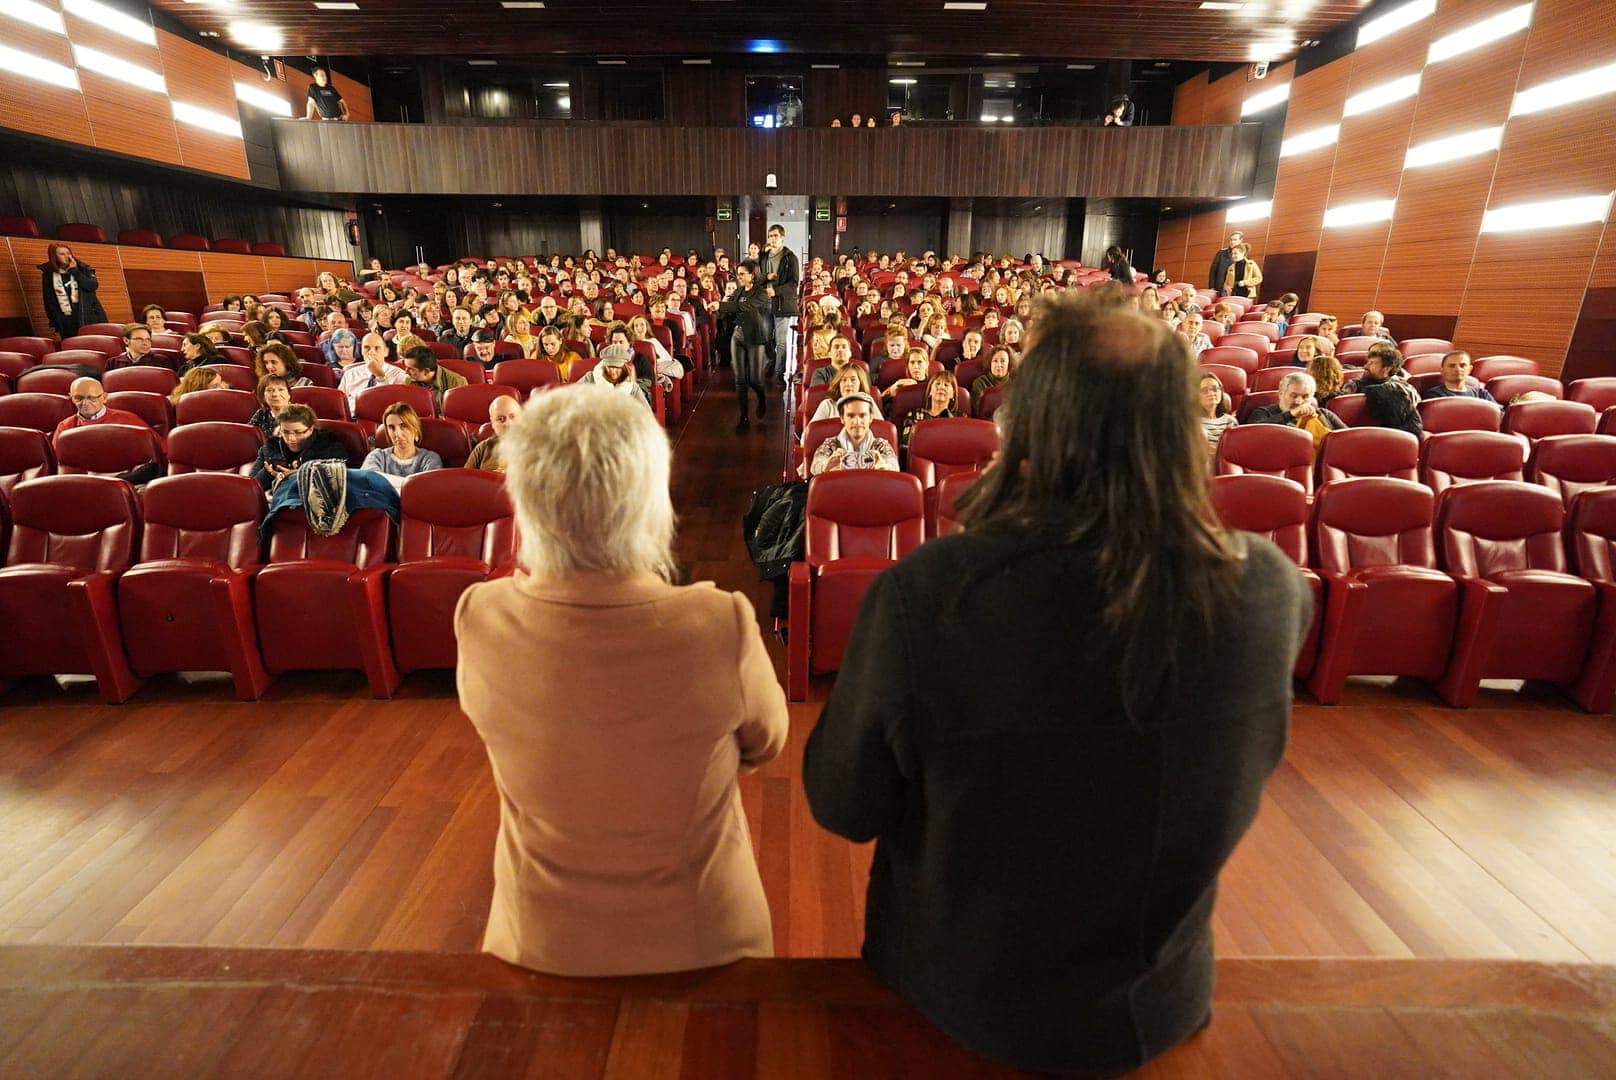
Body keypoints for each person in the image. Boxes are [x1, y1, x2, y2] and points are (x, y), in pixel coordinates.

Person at [802, 288, 1310, 1076]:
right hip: (1162, 1005)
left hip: (959, 1006)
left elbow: (844, 802)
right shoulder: (1273, 589)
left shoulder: (932, 592)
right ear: (1183, 429)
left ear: (1028, 425)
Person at [455, 384, 787, 976]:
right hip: (704, 939)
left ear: (525, 500)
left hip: (542, 942)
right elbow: (766, 742)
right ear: (650, 499)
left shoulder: (481, 615)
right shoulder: (720, 624)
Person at [717, 259, 771, 433]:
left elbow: (745, 306)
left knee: (755, 379)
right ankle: (744, 418)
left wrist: (724, 305)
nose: (738, 277)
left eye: (742, 274)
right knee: (740, 380)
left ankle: (761, 397)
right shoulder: (739, 291)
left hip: (755, 337)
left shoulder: (761, 293)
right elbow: (728, 309)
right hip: (738, 336)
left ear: (752, 274)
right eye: (738, 273)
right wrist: (719, 306)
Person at [250, 404, 349, 491]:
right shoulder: (272, 447)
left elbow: (338, 480)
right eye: (285, 432)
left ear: (310, 429)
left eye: (298, 432)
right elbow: (252, 486)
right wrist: (271, 471)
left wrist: (299, 474)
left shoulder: (329, 446)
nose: (291, 438)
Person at [1248, 370, 1345, 448]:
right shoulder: (1264, 413)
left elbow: (1349, 439)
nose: (1299, 402)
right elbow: (1251, 436)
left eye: (1305, 397)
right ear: (1281, 393)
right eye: (1294, 396)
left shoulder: (1324, 414)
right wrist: (1290, 414)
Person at [809, 392, 898, 474]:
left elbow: (894, 467)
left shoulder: (881, 445)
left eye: (862, 415)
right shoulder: (831, 444)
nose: (857, 421)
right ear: (842, 418)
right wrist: (824, 467)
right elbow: (815, 466)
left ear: (871, 418)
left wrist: (885, 468)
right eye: (851, 416)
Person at [1346, 343, 1422, 436]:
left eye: (1372, 363)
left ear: (1386, 369)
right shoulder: (1354, 385)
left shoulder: (1404, 389)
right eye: (1368, 362)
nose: (1366, 366)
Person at [361, 402, 443, 486]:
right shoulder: (376, 456)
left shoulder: (430, 459)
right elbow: (370, 485)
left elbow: (428, 489)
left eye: (404, 426)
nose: (398, 434)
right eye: (391, 427)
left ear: (415, 429)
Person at [52, 377, 149, 446]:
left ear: (104, 397)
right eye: (79, 398)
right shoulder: (65, 427)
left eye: (92, 398)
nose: (85, 403)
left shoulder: (128, 420)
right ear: (71, 398)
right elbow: (59, 461)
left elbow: (154, 450)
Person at [38, 243, 107, 340]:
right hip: (66, 321)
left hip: (88, 316)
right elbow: (48, 299)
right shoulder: (49, 274)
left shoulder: (83, 268)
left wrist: (75, 271)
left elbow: (92, 286)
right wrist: (55, 322)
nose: (67, 256)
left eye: (68, 253)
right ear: (54, 257)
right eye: (62, 254)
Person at [762, 223, 800, 380]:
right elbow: (757, 278)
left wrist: (775, 291)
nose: (772, 239)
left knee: (781, 342)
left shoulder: (790, 257)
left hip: (782, 303)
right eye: (770, 236)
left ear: (782, 237)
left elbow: (794, 283)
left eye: (775, 236)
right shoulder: (763, 257)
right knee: (764, 338)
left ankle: (779, 373)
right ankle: (771, 361)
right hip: (764, 303)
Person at [340, 332, 407, 409]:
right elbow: (341, 403)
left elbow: (394, 406)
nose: (371, 352)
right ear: (361, 351)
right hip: (353, 417)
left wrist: (380, 376)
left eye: (377, 348)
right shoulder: (350, 374)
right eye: (366, 348)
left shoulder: (398, 374)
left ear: (386, 352)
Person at [577, 342, 652, 410]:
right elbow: (572, 399)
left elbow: (646, 414)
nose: (612, 371)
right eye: (609, 367)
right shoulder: (590, 378)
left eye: (616, 367)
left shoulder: (633, 388)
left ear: (623, 367)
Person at [901, 371, 963, 449]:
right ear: (930, 391)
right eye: (937, 384)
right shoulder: (914, 414)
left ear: (952, 394)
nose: (941, 387)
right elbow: (906, 445)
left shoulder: (960, 418)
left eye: (946, 385)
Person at [466, 393, 523, 472]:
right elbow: (465, 480)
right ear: (493, 424)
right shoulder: (483, 448)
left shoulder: (537, 447)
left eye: (512, 417)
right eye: (500, 419)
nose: (508, 424)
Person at [402, 345, 467, 414]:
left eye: (411, 369)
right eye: (406, 367)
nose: (406, 372)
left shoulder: (457, 382)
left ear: (426, 371)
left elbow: (459, 413)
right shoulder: (409, 380)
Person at [809, 365, 879, 426]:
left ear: (860, 384)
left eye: (853, 380)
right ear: (839, 384)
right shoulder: (827, 405)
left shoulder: (869, 402)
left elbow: (882, 432)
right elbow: (807, 437)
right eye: (844, 380)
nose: (848, 384)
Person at [1423, 349, 1497, 402]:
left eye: (1462, 365)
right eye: (1452, 366)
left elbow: (1498, 415)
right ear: (1442, 371)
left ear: (1470, 369)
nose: (1457, 369)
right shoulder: (1434, 395)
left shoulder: (1481, 394)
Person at [1198, 371, 1237, 455]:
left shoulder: (1230, 421)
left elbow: (1236, 450)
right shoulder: (1193, 422)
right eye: (1205, 390)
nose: (1211, 393)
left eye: (1215, 389)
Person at [248, 373, 294, 437]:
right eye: (269, 390)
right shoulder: (261, 414)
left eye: (281, 389)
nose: (275, 394)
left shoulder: (299, 414)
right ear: (263, 396)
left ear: (289, 394)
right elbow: (248, 436)